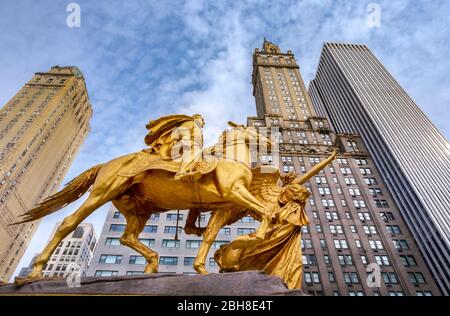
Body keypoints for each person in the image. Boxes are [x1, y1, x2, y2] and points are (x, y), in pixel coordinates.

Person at [144, 114, 205, 183]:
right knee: (196, 150)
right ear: (196, 118)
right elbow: (181, 130)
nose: (204, 123)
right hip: (185, 143)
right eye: (202, 120)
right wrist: (184, 139)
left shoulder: (198, 129)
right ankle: (181, 173)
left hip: (192, 144)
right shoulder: (192, 123)